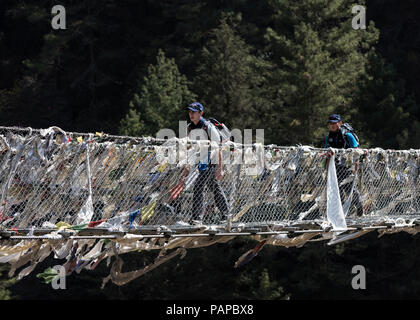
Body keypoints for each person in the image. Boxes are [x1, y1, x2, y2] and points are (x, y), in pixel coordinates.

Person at [185, 102, 228, 223]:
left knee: (198, 186)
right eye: (190, 112)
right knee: (214, 187)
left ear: (201, 113)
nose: (191, 114)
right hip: (201, 161)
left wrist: (220, 168)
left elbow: (218, 148)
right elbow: (189, 145)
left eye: (194, 112)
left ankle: (197, 218)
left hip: (211, 161)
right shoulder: (190, 127)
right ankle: (226, 214)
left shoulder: (208, 127)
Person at [325, 114, 363, 216]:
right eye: (331, 123)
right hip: (334, 166)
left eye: (335, 123)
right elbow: (327, 150)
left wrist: (355, 166)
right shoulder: (328, 137)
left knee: (349, 188)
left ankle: (359, 206)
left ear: (340, 123)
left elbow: (356, 151)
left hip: (347, 166)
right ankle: (339, 213)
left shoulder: (347, 135)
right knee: (336, 189)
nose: (332, 125)